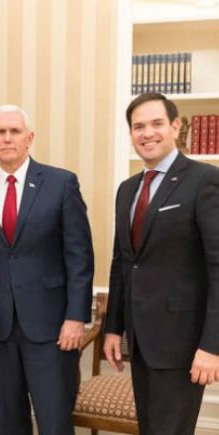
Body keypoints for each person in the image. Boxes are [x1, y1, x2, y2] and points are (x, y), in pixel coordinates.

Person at [0, 105, 94, 435]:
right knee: (11, 421)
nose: (7, 138)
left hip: (52, 327)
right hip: (1, 327)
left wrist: (75, 318)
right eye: (0, 132)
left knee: (54, 421)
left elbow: (80, 256)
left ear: (29, 138)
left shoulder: (60, 183)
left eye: (15, 131)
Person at [104, 92, 219, 435]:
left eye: (156, 123)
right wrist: (113, 328)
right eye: (138, 126)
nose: (147, 133)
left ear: (175, 126)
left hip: (183, 344)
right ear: (131, 133)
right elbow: (122, 262)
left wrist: (212, 347)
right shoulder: (127, 189)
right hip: (140, 342)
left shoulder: (204, 180)